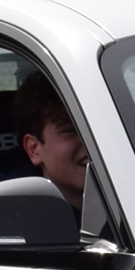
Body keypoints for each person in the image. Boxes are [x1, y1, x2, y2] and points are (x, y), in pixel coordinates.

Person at [13, 73, 87, 212]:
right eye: (71, 130)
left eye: (101, 128)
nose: (92, 142)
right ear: (34, 149)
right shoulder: (10, 226)